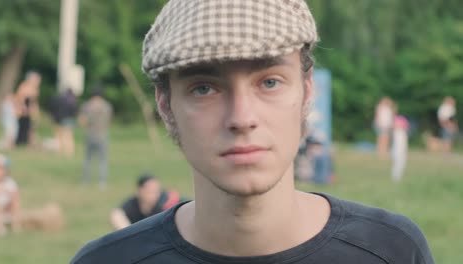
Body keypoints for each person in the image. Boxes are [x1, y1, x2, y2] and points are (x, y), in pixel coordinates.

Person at [72, 1, 435, 263]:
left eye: (270, 82)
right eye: (204, 88)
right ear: (166, 105)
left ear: (307, 91)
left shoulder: (393, 251)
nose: (242, 117)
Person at [110, 173, 184, 230]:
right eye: (150, 191)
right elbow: (117, 213)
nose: (154, 195)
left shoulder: (165, 202)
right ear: (139, 190)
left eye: (156, 190)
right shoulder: (133, 204)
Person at [78, 88, 113, 188]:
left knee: (88, 159)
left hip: (90, 134)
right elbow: (109, 120)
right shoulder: (107, 106)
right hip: (103, 134)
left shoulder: (87, 106)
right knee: (103, 159)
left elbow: (82, 121)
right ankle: (102, 182)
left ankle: (85, 181)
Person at [0, 154, 21, 236]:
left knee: (14, 200)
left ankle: (15, 224)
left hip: (5, 208)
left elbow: (15, 196)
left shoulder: (9, 182)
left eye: (1, 169)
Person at [14, 71, 41, 146]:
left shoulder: (35, 89)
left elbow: (34, 102)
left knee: (28, 127)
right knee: (22, 127)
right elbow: (20, 98)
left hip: (28, 111)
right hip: (23, 111)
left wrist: (35, 111)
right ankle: (19, 142)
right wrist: (24, 108)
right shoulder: (24, 87)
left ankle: (26, 142)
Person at [49, 88, 78, 156]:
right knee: (69, 135)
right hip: (70, 119)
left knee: (62, 135)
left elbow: (55, 109)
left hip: (62, 119)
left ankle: (64, 150)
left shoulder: (61, 99)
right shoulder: (73, 100)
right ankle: (69, 150)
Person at [391, 115, 409, 182]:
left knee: (401, 164)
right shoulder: (398, 133)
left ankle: (398, 177)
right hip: (398, 152)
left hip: (401, 152)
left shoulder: (402, 133)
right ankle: (396, 177)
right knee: (398, 164)